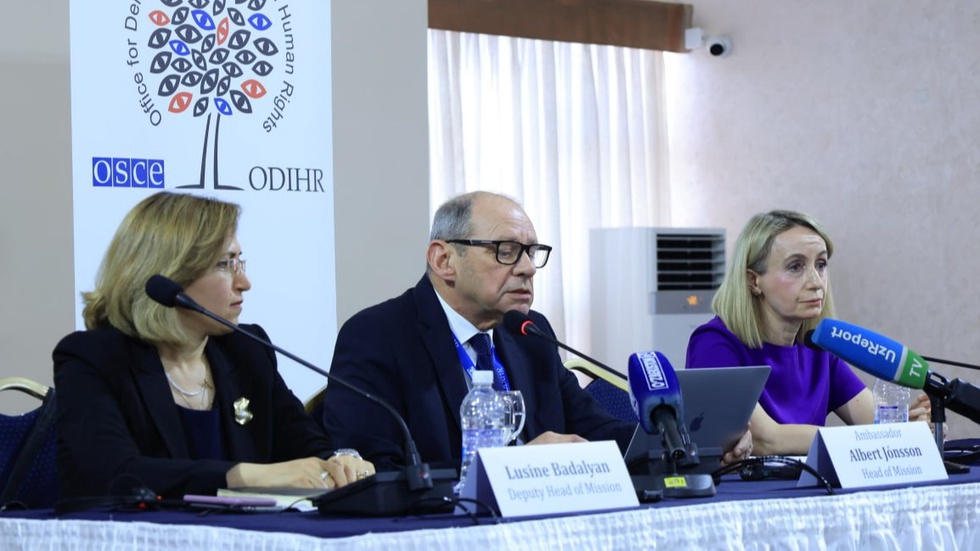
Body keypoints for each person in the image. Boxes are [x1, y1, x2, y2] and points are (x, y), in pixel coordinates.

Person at [322, 191, 752, 472]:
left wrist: (685, 443)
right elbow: (375, 472)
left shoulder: (529, 333)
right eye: (506, 251)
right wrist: (514, 467)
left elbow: (594, 428)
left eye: (532, 252)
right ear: (443, 260)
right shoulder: (378, 336)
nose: (528, 268)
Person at [54, 191, 374, 500]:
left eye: (240, 262)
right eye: (225, 264)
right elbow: (114, 474)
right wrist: (243, 477)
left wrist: (340, 461)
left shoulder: (247, 350)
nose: (244, 283)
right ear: (167, 275)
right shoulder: (94, 359)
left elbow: (304, 443)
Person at [686, 210, 930, 456]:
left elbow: (876, 424)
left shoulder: (818, 348)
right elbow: (766, 440)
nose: (816, 282)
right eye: (795, 267)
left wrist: (911, 428)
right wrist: (879, 437)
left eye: (821, 265)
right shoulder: (714, 344)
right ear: (753, 281)